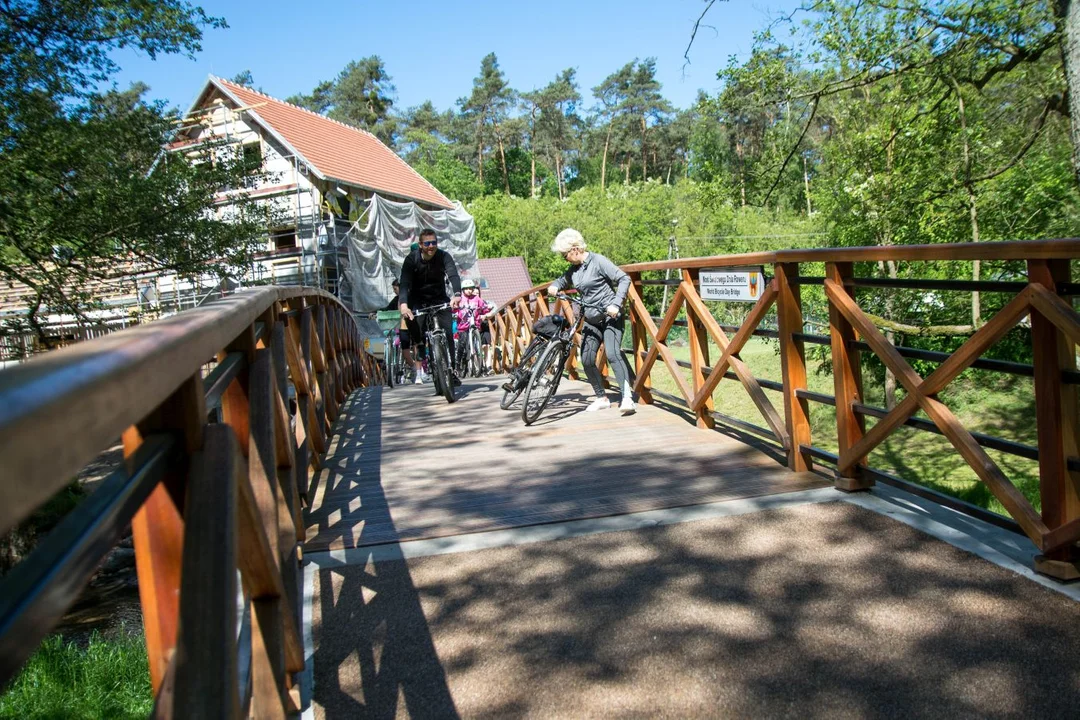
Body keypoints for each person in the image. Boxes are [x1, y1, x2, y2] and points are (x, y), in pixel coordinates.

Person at [547, 228, 635, 415]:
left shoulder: (598, 261)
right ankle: (601, 397)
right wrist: (555, 286)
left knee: (612, 354)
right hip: (591, 319)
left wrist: (616, 304)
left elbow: (623, 278)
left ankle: (627, 398)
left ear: (575, 249)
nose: (565, 259)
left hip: (610, 316)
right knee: (586, 358)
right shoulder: (575, 270)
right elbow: (563, 280)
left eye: (565, 255)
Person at [399, 228, 463, 384]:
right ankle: (419, 344)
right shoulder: (411, 259)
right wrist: (404, 304)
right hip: (418, 299)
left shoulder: (443, 256)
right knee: (411, 320)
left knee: (448, 332)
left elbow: (453, 275)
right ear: (420, 244)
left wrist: (457, 295)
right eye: (427, 243)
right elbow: (405, 283)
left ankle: (452, 370)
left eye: (434, 242)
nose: (431, 246)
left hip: (439, 298)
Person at [378, 279, 417, 382]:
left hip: (414, 326)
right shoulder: (396, 300)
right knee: (405, 352)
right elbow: (387, 309)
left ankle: (420, 370)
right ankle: (414, 368)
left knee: (417, 348)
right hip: (403, 327)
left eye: (395, 289)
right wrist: (376, 312)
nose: (394, 291)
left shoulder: (413, 297)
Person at [454, 278, 494, 372]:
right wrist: (454, 311)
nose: (469, 291)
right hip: (463, 325)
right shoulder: (460, 299)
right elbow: (454, 309)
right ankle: (458, 362)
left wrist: (488, 308)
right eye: (467, 289)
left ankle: (479, 363)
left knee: (477, 342)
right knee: (462, 343)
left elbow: (483, 307)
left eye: (471, 289)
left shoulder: (476, 298)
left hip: (474, 324)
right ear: (463, 290)